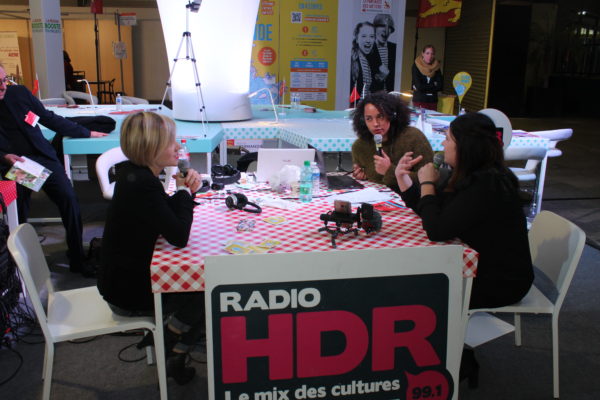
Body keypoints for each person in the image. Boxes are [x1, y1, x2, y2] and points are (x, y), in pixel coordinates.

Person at [97, 111, 204, 385]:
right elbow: (179, 235)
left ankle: (172, 344)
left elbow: (164, 214)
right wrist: (184, 193)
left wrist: (183, 190)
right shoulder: (142, 183)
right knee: (208, 291)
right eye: (171, 142)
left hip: (119, 278)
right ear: (151, 147)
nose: (178, 147)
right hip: (126, 292)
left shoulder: (135, 175)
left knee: (202, 288)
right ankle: (170, 344)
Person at [394, 112, 534, 309]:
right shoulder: (471, 175)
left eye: (448, 138)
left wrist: (427, 183)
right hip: (480, 267)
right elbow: (433, 212)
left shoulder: (486, 184)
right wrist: (404, 180)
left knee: (409, 287)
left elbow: (437, 230)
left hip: (499, 282)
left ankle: (436, 336)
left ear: (465, 146)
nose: (443, 144)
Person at [0, 63, 107, 277]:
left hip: (43, 157)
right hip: (17, 164)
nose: (3, 86)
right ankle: (20, 264)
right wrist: (3, 158)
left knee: (69, 200)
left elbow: (48, 118)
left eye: (4, 80)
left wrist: (85, 132)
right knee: (19, 213)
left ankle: (77, 258)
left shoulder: (18, 93)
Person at [351, 92, 433, 186]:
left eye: (380, 116)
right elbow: (369, 178)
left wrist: (389, 171)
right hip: (376, 198)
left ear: (393, 116)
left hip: (409, 198)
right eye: (369, 119)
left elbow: (430, 180)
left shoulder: (413, 138)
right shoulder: (359, 146)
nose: (375, 124)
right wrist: (361, 175)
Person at [350, 21, 384, 100]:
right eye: (364, 36)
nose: (368, 40)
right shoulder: (352, 60)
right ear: (357, 38)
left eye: (372, 36)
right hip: (355, 108)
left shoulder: (370, 60)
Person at [412, 45, 443, 111]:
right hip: (420, 100)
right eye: (427, 53)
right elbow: (419, 86)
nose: (430, 56)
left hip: (433, 101)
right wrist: (434, 85)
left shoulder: (436, 66)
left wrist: (425, 87)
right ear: (423, 54)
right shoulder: (416, 66)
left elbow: (440, 86)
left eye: (432, 54)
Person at [373, 13, 397, 92]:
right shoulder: (368, 48)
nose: (385, 30)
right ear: (374, 28)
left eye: (389, 27)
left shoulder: (394, 48)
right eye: (382, 26)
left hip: (389, 95)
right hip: (373, 94)